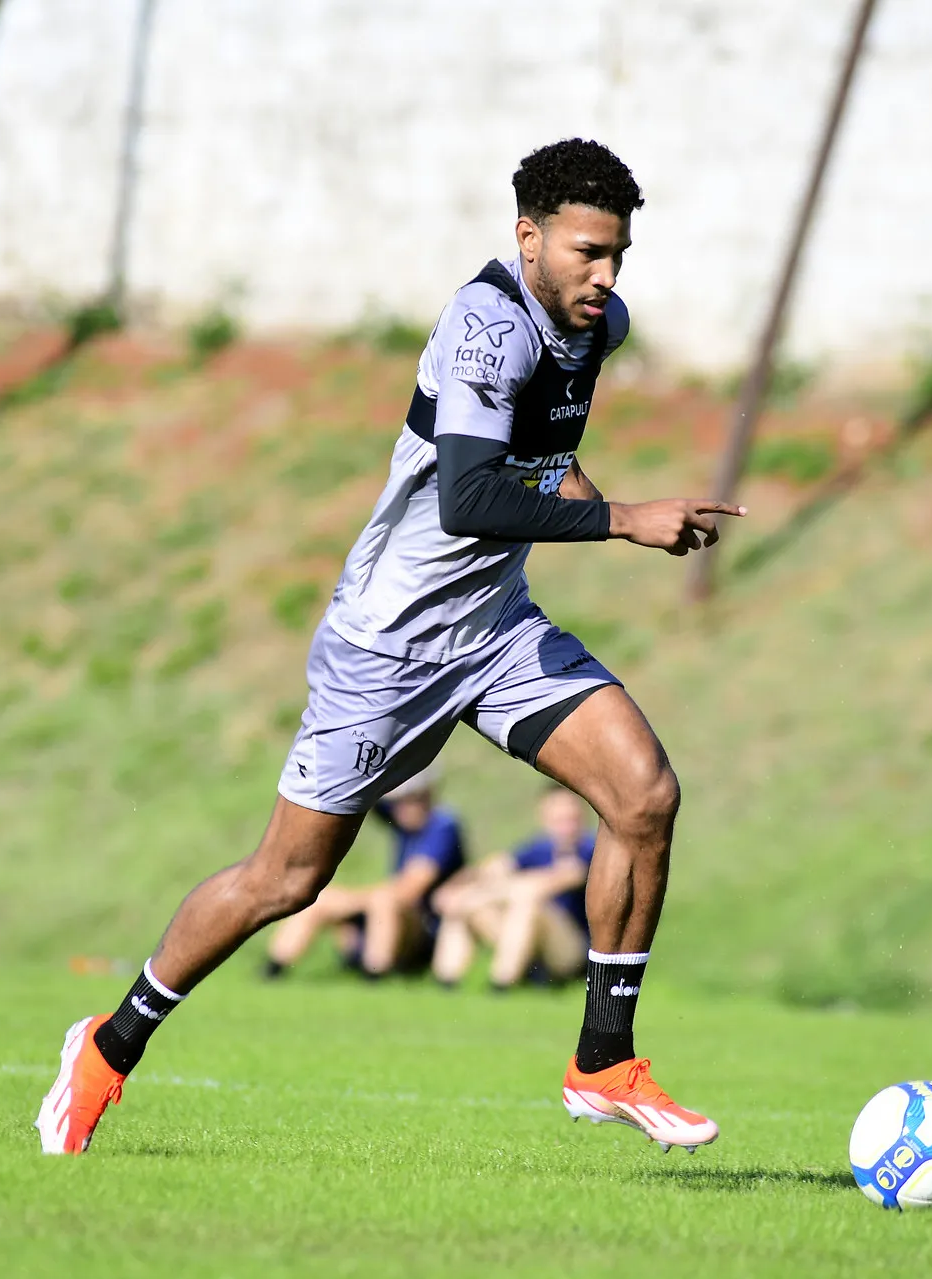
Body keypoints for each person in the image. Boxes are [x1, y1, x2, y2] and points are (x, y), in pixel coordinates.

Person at [36, 139, 743, 1157]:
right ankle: (107, 1045)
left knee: (643, 797)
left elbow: (542, 459)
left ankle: (602, 1061)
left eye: (619, 254)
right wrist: (625, 519)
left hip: (493, 629)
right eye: (587, 252)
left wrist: (600, 501)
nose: (607, 276)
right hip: (388, 648)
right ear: (527, 237)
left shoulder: (595, 328)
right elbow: (465, 496)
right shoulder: (482, 327)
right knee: (286, 882)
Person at [262, 769, 467, 978]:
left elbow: (410, 889)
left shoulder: (441, 827)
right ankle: (272, 971)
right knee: (321, 899)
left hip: (425, 929)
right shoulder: (404, 820)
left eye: (409, 800)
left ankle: (374, 978)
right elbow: (365, 792)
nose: (400, 809)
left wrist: (357, 902)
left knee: (384, 901)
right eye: (397, 802)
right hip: (387, 911)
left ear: (428, 794)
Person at [431, 783, 594, 990]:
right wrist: (455, 889)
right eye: (559, 820)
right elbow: (492, 868)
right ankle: (446, 981)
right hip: (533, 944)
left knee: (526, 900)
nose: (566, 827)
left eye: (571, 819)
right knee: (465, 902)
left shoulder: (589, 849)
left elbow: (556, 881)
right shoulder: (538, 848)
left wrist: (478, 895)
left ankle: (501, 984)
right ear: (544, 818)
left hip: (571, 950)